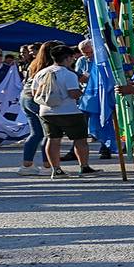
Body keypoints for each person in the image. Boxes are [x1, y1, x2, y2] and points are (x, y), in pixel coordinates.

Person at [25, 43, 96, 178]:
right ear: (68, 58)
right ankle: (84, 167)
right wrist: (82, 92)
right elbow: (73, 93)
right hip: (69, 111)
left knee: (53, 140)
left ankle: (56, 169)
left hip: (46, 111)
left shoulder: (41, 73)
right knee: (80, 140)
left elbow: (34, 92)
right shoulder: (69, 74)